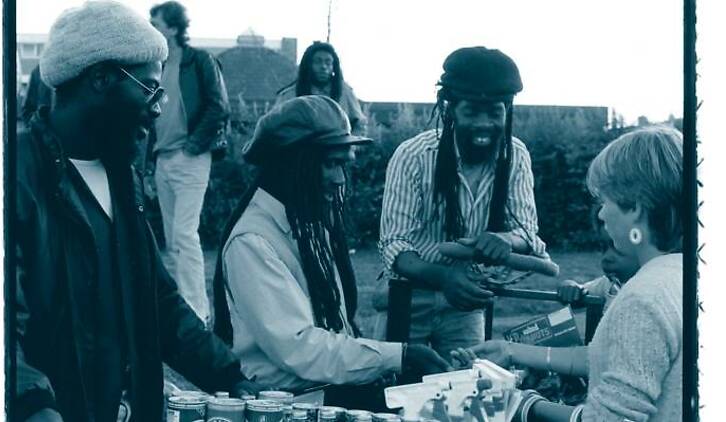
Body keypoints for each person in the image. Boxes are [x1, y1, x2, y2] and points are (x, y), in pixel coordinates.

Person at [12, 2, 256, 421]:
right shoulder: (11, 174)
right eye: (149, 88)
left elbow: (157, 301)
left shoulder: (122, 176)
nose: (159, 106)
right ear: (101, 79)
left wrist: (232, 379)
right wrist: (34, 406)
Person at [213, 95, 451, 411]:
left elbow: (336, 327)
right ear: (293, 164)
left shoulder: (307, 222)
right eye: (331, 164)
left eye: (343, 164)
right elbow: (300, 348)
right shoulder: (253, 242)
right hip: (289, 405)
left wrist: (376, 364)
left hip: (328, 391)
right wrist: (399, 356)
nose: (339, 178)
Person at [453, 126, 683, 422]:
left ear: (636, 208)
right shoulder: (690, 277)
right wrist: (510, 350)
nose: (601, 214)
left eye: (606, 202)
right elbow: (615, 359)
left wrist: (524, 405)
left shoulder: (642, 298)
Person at [378, 47, 547, 358]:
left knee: (467, 386)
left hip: (466, 301)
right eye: (471, 112)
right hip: (408, 294)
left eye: (495, 112)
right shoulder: (413, 155)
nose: (484, 124)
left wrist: (503, 239)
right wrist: (444, 277)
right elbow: (394, 244)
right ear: (449, 109)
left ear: (507, 111)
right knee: (394, 389)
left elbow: (527, 234)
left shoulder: (516, 156)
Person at [147, 0, 230, 324]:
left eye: (156, 24)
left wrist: (193, 147)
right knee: (172, 240)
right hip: (162, 160)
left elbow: (218, 106)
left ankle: (198, 310)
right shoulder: (155, 66)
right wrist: (146, 165)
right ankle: (183, 309)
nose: (151, 30)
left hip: (191, 157)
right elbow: (148, 119)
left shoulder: (199, 61)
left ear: (173, 27)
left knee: (184, 234)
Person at [275, 41, 367, 135]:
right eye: (317, 62)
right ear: (308, 65)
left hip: (338, 147)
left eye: (328, 62)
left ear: (333, 67)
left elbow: (359, 124)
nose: (323, 67)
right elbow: (275, 126)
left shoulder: (345, 93)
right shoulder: (289, 95)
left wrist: (352, 145)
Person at [557, 224, 639, 313]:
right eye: (603, 248)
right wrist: (571, 287)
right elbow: (581, 292)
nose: (606, 257)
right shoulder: (609, 284)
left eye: (618, 247)